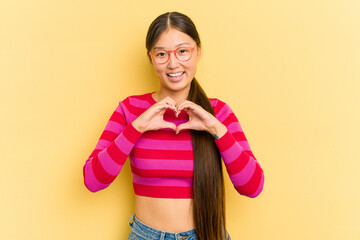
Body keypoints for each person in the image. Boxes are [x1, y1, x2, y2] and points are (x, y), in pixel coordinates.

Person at [83, 11, 264, 240]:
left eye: (182, 51)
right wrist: (136, 128)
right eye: (161, 54)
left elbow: (252, 186)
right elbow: (92, 180)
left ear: (198, 52)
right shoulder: (130, 110)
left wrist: (217, 129)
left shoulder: (219, 114)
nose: (173, 63)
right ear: (150, 58)